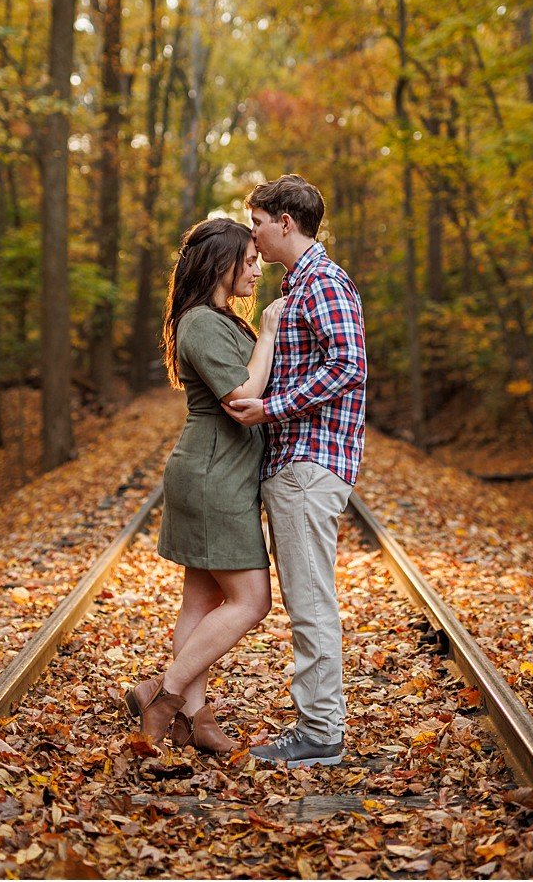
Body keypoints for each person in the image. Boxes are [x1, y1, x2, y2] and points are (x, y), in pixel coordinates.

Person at [225, 173, 367, 768]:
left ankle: (321, 732)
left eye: (258, 222)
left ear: (287, 223)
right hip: (297, 462)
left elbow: (349, 366)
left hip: (310, 463)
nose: (253, 235)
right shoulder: (299, 285)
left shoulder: (323, 283)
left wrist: (271, 408)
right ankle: (316, 722)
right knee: (306, 598)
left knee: (310, 601)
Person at [130, 217, 282, 753]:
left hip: (217, 471)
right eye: (250, 259)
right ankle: (165, 694)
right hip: (214, 475)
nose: (258, 268)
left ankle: (193, 718)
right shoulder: (200, 323)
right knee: (252, 601)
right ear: (222, 263)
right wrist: (266, 333)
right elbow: (243, 400)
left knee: (201, 599)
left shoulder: (218, 319)